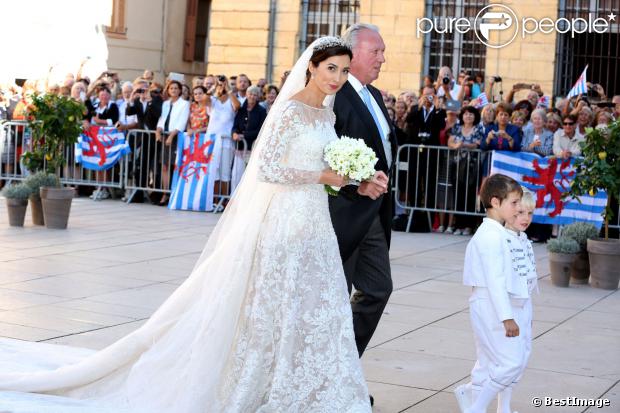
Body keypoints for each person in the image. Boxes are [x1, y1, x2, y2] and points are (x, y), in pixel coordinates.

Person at [0, 36, 371, 413]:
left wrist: (355, 175)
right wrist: (322, 176)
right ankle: (261, 384)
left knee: (315, 303)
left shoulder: (327, 114)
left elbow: (326, 166)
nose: (337, 78)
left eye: (343, 70)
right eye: (331, 69)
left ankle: (309, 388)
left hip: (314, 221)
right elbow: (269, 168)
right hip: (284, 218)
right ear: (311, 66)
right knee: (276, 304)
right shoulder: (289, 110)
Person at [329, 25, 394, 384]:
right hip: (343, 213)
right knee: (336, 296)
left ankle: (342, 367)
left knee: (377, 288)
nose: (383, 59)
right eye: (377, 52)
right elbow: (322, 154)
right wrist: (357, 183)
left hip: (373, 213)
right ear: (352, 56)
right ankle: (332, 376)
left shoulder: (376, 95)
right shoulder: (335, 96)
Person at [454, 174, 528, 413]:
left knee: (489, 362)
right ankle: (477, 406)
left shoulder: (498, 232)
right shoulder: (489, 236)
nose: (518, 209)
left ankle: (474, 399)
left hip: (493, 302)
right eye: (514, 203)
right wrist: (507, 317)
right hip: (489, 303)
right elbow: (495, 280)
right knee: (511, 362)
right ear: (495, 202)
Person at [155, 80, 190, 205]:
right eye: (171, 88)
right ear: (168, 90)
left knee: (175, 166)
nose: (174, 90)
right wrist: (158, 131)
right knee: (164, 166)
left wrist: (172, 135)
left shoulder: (185, 104)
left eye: (176, 88)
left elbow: (182, 122)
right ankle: (165, 193)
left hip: (176, 137)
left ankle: (175, 193)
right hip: (165, 136)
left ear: (180, 90)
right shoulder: (165, 104)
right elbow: (162, 119)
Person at [232, 86, 267, 151]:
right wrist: (234, 133)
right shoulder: (241, 109)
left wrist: (244, 135)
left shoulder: (262, 111)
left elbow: (260, 130)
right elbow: (235, 126)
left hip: (253, 146)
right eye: (250, 94)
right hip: (239, 146)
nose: (252, 97)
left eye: (255, 95)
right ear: (246, 95)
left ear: (258, 97)